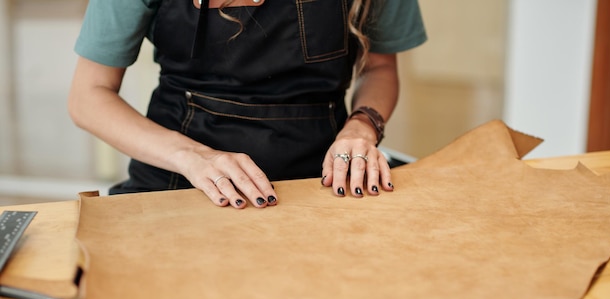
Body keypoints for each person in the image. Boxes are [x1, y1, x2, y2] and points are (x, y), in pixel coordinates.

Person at [68, 0, 427, 209]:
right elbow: (89, 96)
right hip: (178, 182)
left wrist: (362, 126)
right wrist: (192, 157)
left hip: (323, 183)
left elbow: (379, 67)